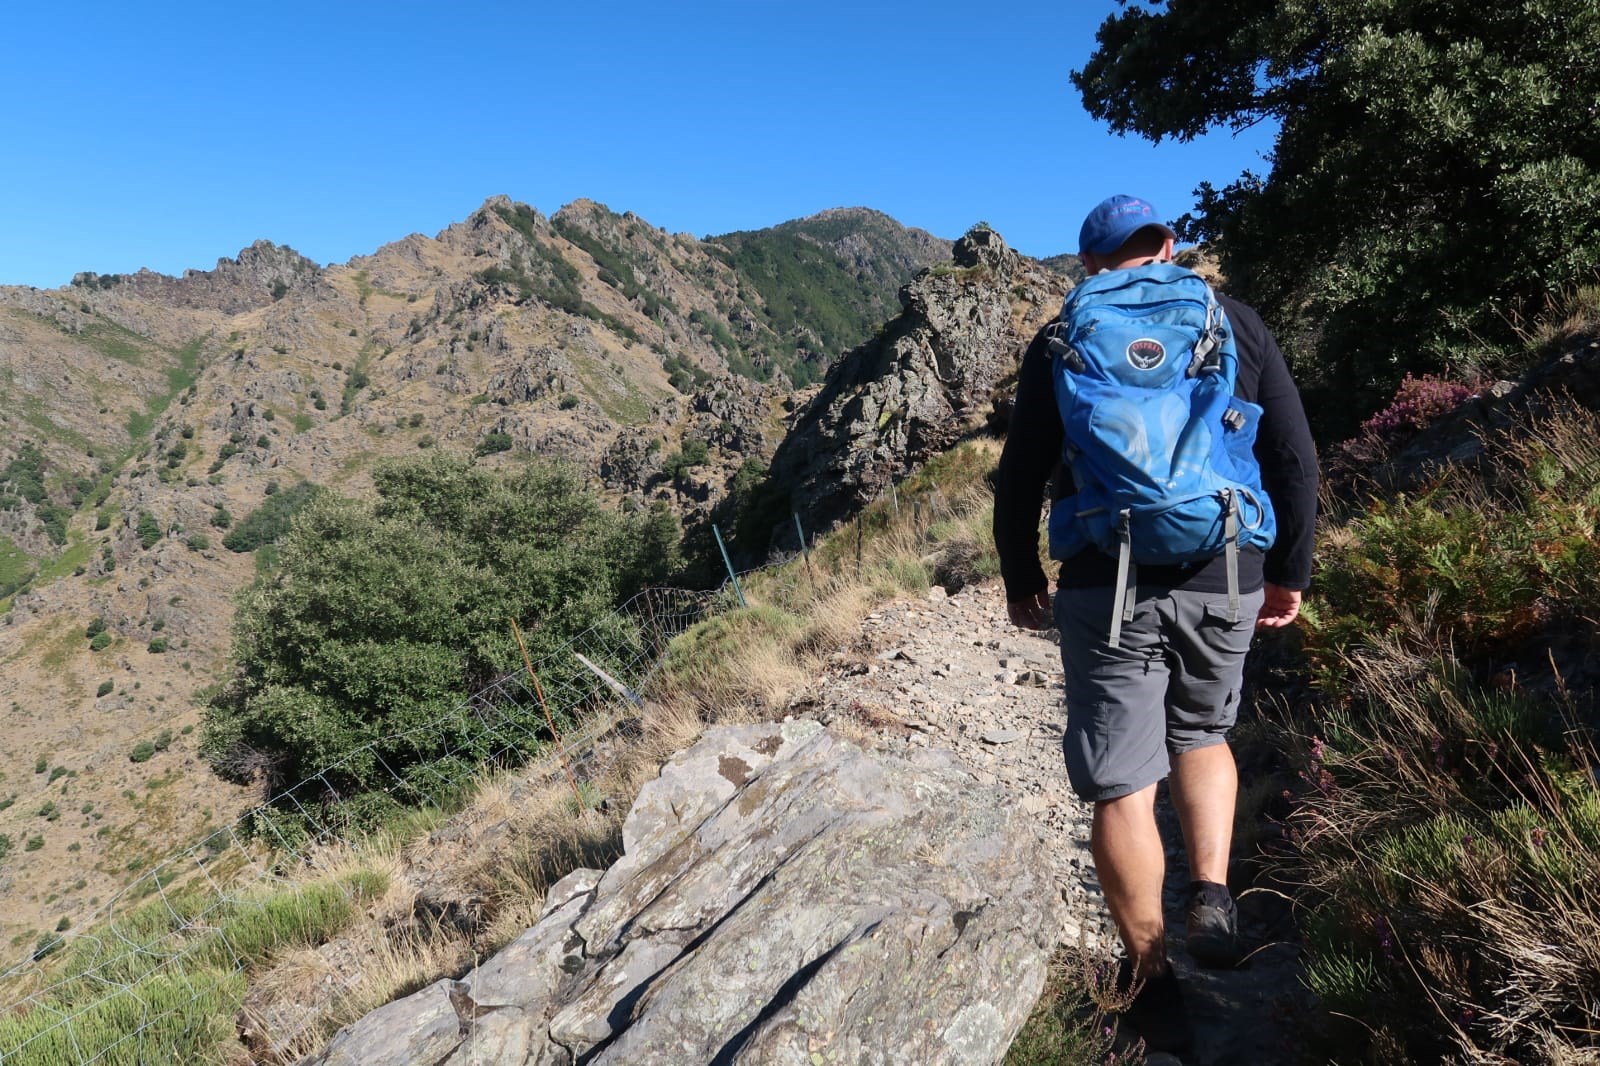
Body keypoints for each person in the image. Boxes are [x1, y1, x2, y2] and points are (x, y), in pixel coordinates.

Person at [992, 194, 1318, 1050]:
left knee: (1121, 784)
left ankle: (1150, 977)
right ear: (1168, 246)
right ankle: (1210, 892)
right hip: (1227, 568)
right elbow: (1292, 456)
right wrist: (1290, 570)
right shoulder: (1234, 322)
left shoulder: (1063, 334)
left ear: (1090, 262)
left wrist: (1021, 575)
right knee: (1203, 733)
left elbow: (1022, 469)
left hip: (1108, 579)